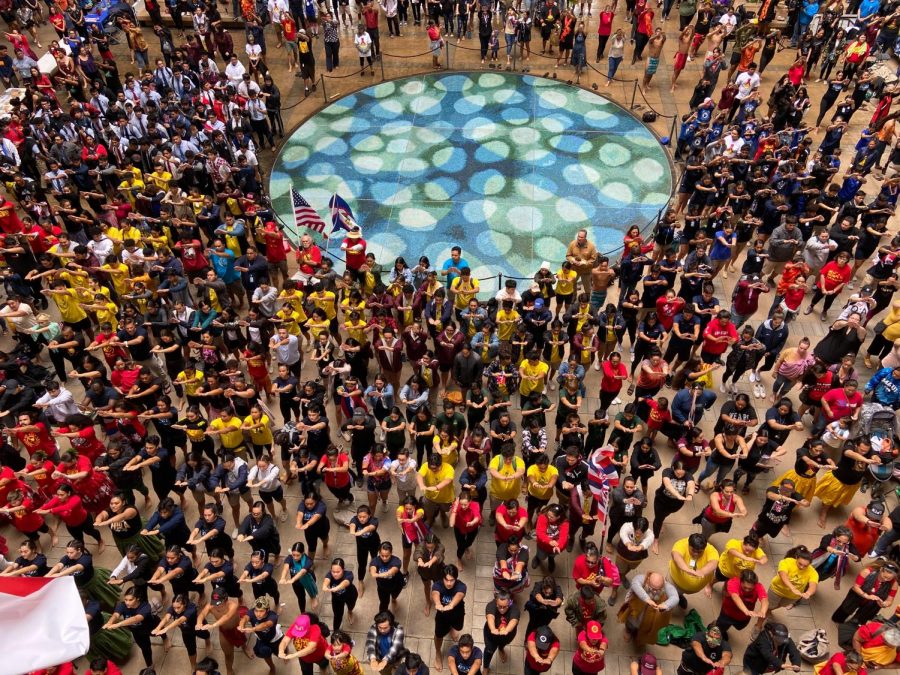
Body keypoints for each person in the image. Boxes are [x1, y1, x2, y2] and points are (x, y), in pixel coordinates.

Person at [617, 572, 679, 647]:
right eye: (652, 588)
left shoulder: (666, 586)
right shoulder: (641, 578)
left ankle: (640, 635)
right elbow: (635, 584)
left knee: (646, 626)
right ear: (648, 580)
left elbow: (675, 597)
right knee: (631, 623)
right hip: (636, 610)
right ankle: (628, 631)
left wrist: (665, 605)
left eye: (658, 589)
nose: (655, 591)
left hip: (650, 614)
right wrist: (647, 599)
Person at [669, 532, 719, 608]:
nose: (696, 554)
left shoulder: (711, 549)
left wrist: (701, 571)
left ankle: (679, 596)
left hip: (691, 589)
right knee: (670, 594)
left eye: (699, 552)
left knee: (679, 593)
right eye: (693, 550)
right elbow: (676, 556)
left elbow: (714, 563)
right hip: (675, 582)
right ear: (688, 544)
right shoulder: (681, 544)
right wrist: (687, 570)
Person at [482, 589, 519, 675]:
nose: (502, 609)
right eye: (499, 606)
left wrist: (507, 630)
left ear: (509, 603)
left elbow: (514, 621)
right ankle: (486, 667)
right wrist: (492, 629)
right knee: (489, 651)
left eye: (504, 607)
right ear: (496, 602)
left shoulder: (514, 608)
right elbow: (490, 617)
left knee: (503, 644)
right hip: (491, 636)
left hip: (507, 635)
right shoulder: (491, 605)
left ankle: (501, 649)